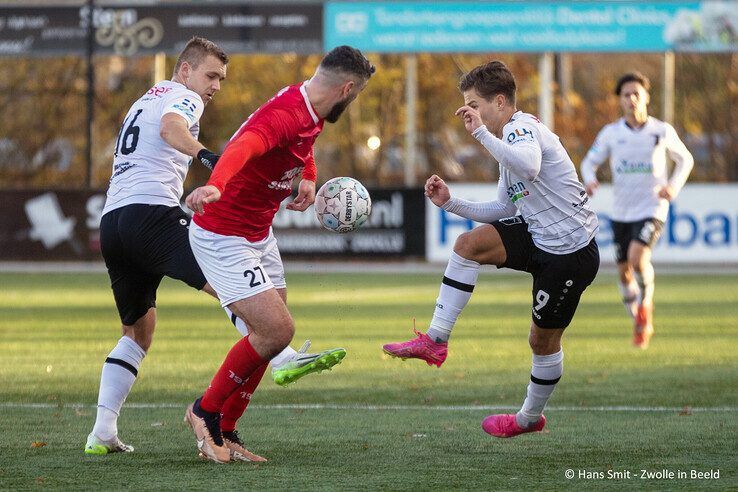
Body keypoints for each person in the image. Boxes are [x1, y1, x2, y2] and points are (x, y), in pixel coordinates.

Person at [85, 37, 346, 460]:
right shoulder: (183, 97)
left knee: (137, 332)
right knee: (227, 277)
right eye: (211, 75)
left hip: (115, 223)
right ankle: (281, 357)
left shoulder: (142, 100)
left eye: (221, 78)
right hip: (154, 216)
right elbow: (172, 128)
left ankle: (102, 431)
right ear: (184, 70)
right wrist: (207, 156)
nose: (216, 86)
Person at [383, 61, 599, 439]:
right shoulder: (507, 143)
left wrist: (481, 133)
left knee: (541, 341)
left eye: (474, 104)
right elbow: (505, 208)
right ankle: (435, 341)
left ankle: (529, 419)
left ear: (500, 102)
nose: (468, 112)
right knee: (468, 244)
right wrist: (451, 203)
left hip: (569, 254)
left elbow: (530, 167)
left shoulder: (521, 128)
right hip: (538, 235)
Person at [183, 45, 375, 463]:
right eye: (355, 95)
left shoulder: (312, 108)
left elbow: (302, 145)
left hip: (257, 233)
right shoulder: (287, 113)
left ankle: (228, 430)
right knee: (276, 331)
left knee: (268, 338)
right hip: (223, 233)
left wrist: (308, 176)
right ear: (346, 88)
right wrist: (216, 183)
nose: (352, 100)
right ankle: (205, 410)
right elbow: (246, 145)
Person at [580, 72, 693, 349]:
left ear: (646, 98)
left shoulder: (661, 131)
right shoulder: (611, 133)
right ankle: (639, 322)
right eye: (625, 95)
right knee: (623, 272)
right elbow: (588, 162)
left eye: (636, 94)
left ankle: (646, 303)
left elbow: (685, 159)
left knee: (637, 257)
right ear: (620, 101)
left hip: (653, 207)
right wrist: (590, 178)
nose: (631, 99)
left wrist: (673, 187)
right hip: (621, 211)